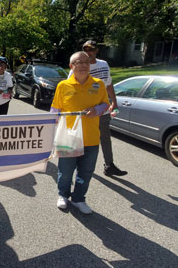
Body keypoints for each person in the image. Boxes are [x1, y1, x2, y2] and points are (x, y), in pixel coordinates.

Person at [50, 51, 110, 214]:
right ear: (71, 66)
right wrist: (48, 130)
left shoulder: (98, 84)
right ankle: (63, 195)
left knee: (86, 172)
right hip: (68, 137)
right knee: (65, 171)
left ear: (90, 65)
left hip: (91, 138)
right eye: (78, 62)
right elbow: (55, 110)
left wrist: (97, 109)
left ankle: (78, 199)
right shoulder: (63, 86)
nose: (83, 65)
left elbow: (106, 104)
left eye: (86, 62)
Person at [81, 40, 127, 177]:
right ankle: (81, 164)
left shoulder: (103, 64)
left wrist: (115, 102)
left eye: (91, 49)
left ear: (96, 51)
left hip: (103, 109)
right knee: (84, 138)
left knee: (105, 138)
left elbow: (109, 84)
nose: (88, 52)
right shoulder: (80, 66)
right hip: (87, 110)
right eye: (85, 49)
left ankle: (109, 165)